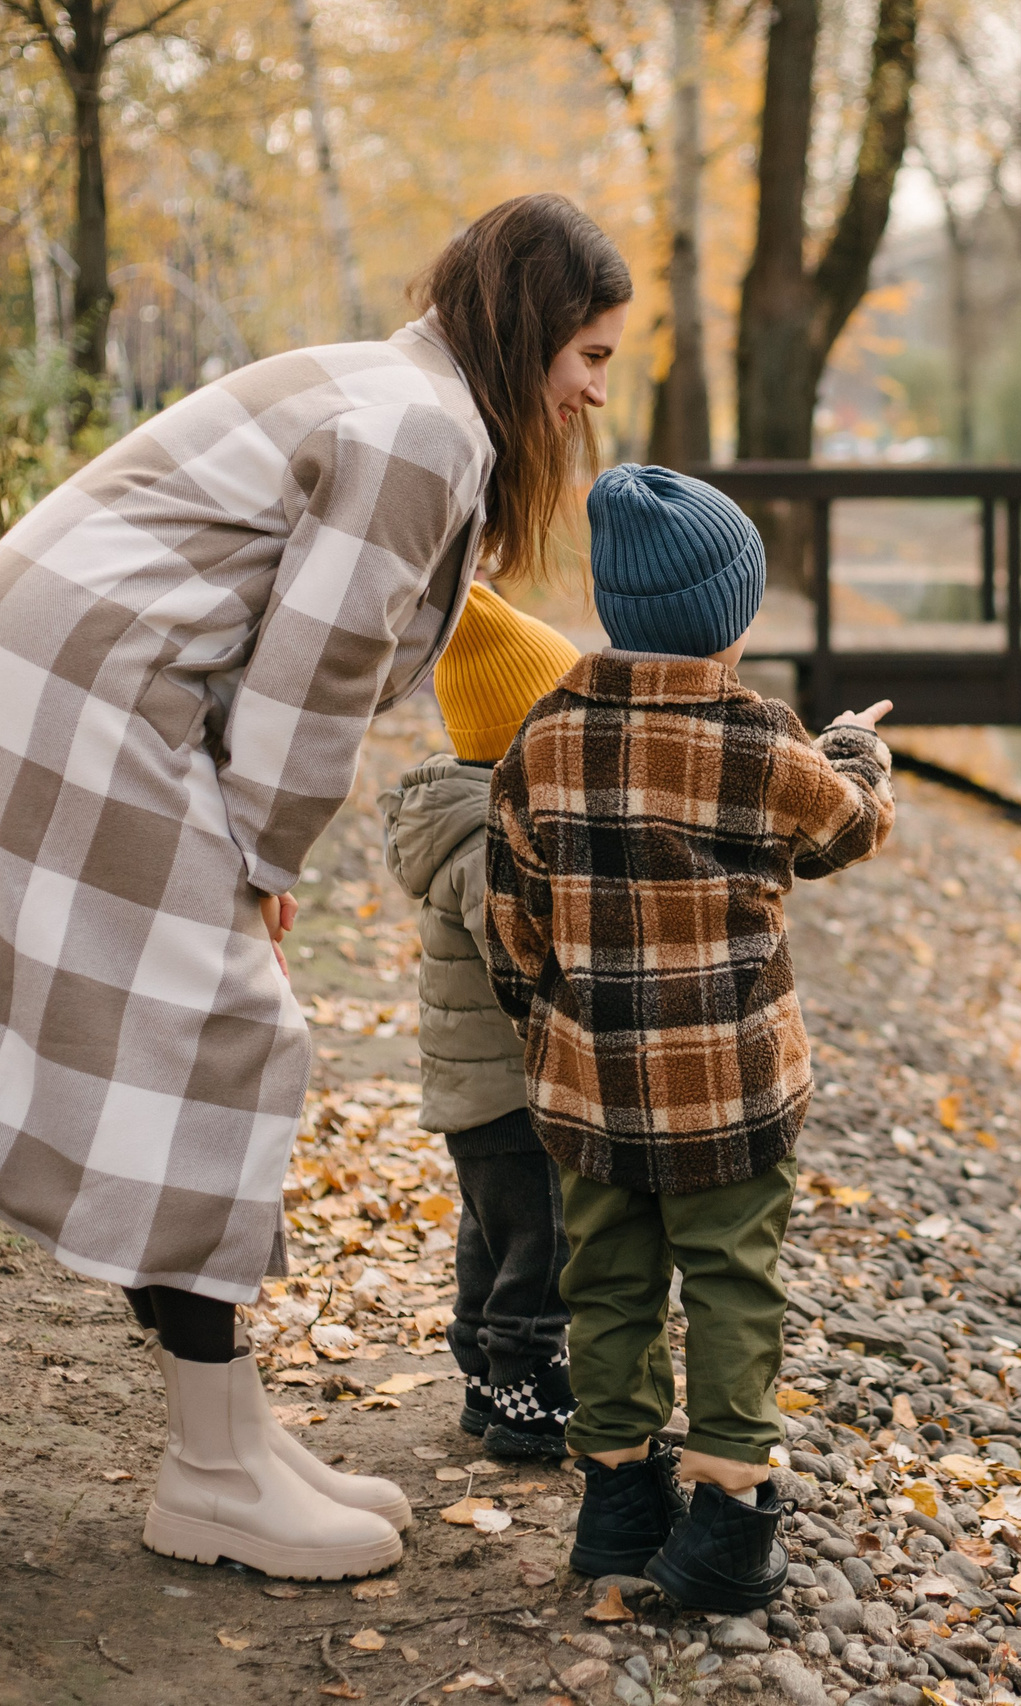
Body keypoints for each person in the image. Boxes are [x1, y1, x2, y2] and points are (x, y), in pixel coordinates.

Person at [0, 194, 632, 1582]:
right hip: (90, 688)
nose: (592, 392)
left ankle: (234, 1429)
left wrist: (251, 843)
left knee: (216, 1032)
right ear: (535, 330)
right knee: (234, 1033)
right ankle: (208, 1466)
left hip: (85, 673)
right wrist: (264, 855)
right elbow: (311, 668)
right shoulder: (421, 430)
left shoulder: (402, 395)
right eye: (591, 356)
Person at [484, 464, 895, 1612]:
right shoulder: (760, 736)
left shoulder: (546, 733)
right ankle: (725, 1515)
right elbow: (845, 829)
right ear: (731, 615)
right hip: (731, 1090)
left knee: (605, 1284)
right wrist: (855, 747)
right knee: (730, 1281)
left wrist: (549, 1028)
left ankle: (617, 1503)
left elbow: (511, 912)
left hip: (592, 1086)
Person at [381, 582, 581, 1461]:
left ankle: (480, 1372)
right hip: (512, 1092)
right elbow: (522, 963)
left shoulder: (461, 819)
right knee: (542, 1248)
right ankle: (526, 1395)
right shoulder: (489, 846)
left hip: (473, 1091)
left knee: (492, 1236)